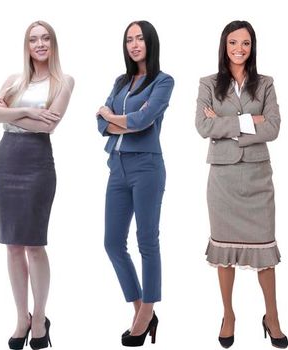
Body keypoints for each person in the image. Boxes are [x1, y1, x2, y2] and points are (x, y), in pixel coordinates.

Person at [195, 20, 287, 349]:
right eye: (233, 42)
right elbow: (202, 127)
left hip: (257, 177)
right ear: (224, 45)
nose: (239, 48)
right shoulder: (208, 83)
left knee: (264, 251)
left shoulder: (265, 84)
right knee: (224, 254)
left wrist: (225, 123)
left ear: (252, 47)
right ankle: (228, 315)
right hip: (222, 180)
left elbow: (274, 127)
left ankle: (272, 316)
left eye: (245, 43)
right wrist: (250, 120)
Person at [0, 20, 75, 350]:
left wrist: (8, 111)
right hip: (7, 160)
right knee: (11, 244)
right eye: (33, 39)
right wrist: (24, 111)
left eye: (45, 38)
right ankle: (21, 316)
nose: (39, 44)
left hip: (37, 163)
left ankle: (40, 317)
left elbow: (49, 126)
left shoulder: (63, 81)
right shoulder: (13, 80)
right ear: (27, 45)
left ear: (53, 43)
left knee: (34, 243)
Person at [96, 20, 173, 348]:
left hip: (147, 167)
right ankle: (139, 304)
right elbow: (99, 123)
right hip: (118, 167)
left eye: (140, 38)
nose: (134, 44)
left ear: (150, 42)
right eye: (129, 39)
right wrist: (115, 120)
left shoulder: (163, 81)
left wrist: (111, 115)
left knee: (147, 241)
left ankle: (147, 312)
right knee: (112, 243)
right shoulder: (121, 81)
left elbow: (143, 120)